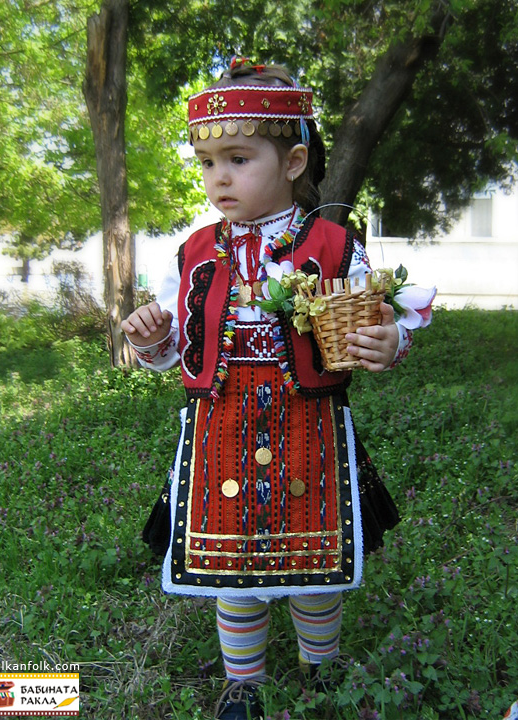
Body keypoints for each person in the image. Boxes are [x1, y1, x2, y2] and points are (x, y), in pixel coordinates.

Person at [122, 58, 414, 720]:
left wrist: (390, 342)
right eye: (206, 162)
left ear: (291, 162)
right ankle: (243, 682)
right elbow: (174, 353)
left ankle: (320, 667)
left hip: (304, 422)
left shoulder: (335, 245)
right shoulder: (192, 251)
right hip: (220, 424)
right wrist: (149, 339)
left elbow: (376, 321)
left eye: (237, 158)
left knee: (311, 564)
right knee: (233, 565)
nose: (217, 177)